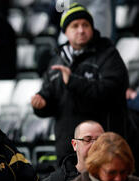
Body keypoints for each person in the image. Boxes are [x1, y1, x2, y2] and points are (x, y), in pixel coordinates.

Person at [31, 3, 130, 163]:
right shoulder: (57, 59)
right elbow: (50, 95)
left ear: (92, 28)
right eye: (74, 26)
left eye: (85, 25)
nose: (81, 30)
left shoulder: (108, 54)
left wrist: (73, 81)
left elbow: (112, 90)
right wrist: (41, 104)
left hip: (104, 149)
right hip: (67, 151)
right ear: (65, 32)